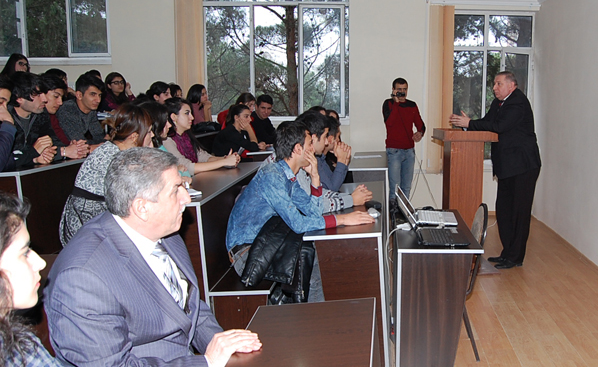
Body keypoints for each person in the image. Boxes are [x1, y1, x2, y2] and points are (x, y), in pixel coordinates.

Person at [0, 193, 260, 367]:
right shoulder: (81, 273)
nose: (39, 262)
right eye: (24, 252)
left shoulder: (21, 348)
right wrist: (206, 366)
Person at [46, 148, 262, 367]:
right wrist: (206, 366)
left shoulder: (164, 233)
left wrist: (228, 349)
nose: (186, 198)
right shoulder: (83, 276)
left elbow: (191, 308)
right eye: (176, 190)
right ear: (142, 207)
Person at [226, 121, 374, 272]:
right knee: (317, 259)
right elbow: (298, 224)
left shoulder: (288, 176)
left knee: (320, 255)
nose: (313, 149)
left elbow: (313, 212)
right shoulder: (272, 176)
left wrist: (315, 177)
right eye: (310, 144)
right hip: (248, 254)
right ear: (298, 148)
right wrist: (342, 219)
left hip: (268, 244)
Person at [449, 71, 541, 270]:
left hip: (523, 166)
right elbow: (487, 123)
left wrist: (470, 123)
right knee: (504, 211)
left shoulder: (518, 102)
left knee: (519, 213)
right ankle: (507, 253)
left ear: (512, 85)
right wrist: (468, 124)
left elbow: (500, 126)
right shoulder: (498, 103)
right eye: (494, 84)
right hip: (507, 166)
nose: (494, 88)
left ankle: (515, 257)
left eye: (499, 84)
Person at [59, 103, 154, 246]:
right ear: (135, 137)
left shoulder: (112, 149)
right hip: (87, 225)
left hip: (93, 218)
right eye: (149, 132)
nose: (153, 135)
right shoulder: (117, 158)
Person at [163, 98, 240, 175]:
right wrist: (224, 162)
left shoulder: (186, 136)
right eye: (187, 113)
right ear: (174, 117)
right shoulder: (167, 141)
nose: (192, 117)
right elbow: (188, 167)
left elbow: (204, 157)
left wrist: (227, 158)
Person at [382, 77, 425, 205]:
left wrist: (420, 133)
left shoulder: (412, 105)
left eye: (405, 89)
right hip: (394, 151)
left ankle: (404, 213)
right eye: (399, 89)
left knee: (406, 187)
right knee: (395, 188)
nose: (402, 92)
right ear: (393, 90)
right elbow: (389, 123)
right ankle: (393, 214)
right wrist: (396, 103)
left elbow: (421, 125)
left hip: (409, 151)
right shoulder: (388, 104)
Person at [6, 72, 57, 167]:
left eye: (44, 94)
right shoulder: (5, 119)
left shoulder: (41, 113)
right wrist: (34, 152)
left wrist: (49, 153)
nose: (45, 99)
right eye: (38, 95)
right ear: (19, 98)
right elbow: (5, 160)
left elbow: (53, 141)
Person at [56, 73, 107, 148]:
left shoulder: (91, 110)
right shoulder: (67, 110)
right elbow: (79, 142)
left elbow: (99, 136)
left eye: (100, 95)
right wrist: (101, 142)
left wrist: (102, 142)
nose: (98, 100)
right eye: (93, 94)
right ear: (79, 95)